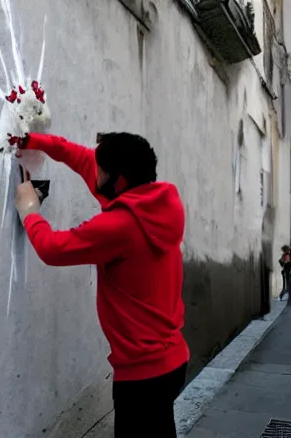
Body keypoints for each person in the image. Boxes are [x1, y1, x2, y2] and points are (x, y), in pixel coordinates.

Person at [14, 132, 189, 438]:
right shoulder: (153, 205)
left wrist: (30, 212)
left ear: (118, 181)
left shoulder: (119, 226)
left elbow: (54, 249)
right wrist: (33, 139)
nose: (93, 170)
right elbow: (80, 158)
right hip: (170, 361)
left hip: (143, 375)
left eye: (101, 168)